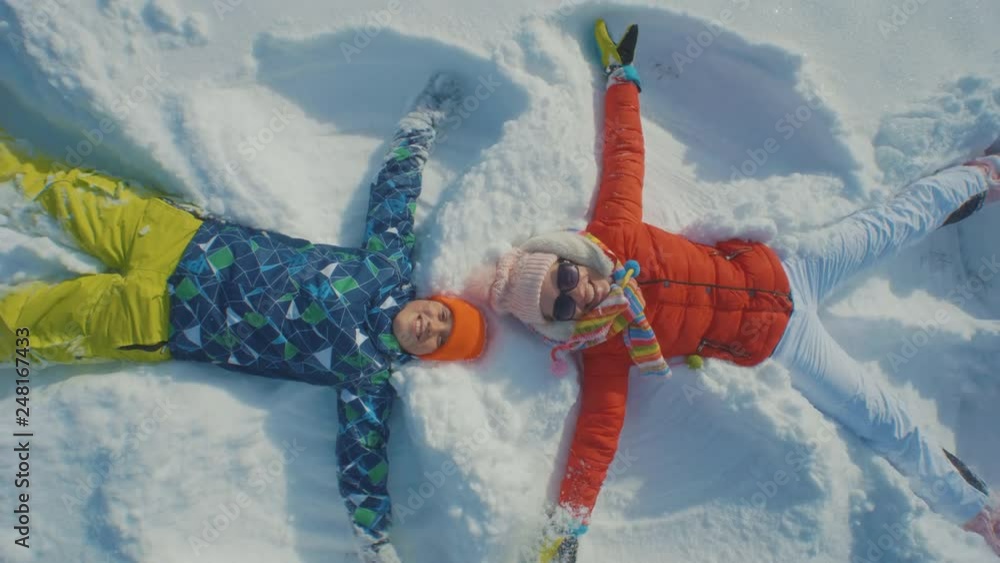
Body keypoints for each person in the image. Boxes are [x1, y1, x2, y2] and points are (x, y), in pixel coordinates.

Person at [487, 20, 1000, 562]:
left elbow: (625, 154)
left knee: (895, 221)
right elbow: (595, 441)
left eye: (564, 278)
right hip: (782, 341)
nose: (577, 295)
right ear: (557, 326)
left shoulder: (614, 230)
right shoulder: (609, 351)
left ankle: (984, 175)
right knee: (882, 420)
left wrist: (621, 79)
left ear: (569, 256)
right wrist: (566, 527)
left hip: (793, 267)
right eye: (560, 307)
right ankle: (975, 511)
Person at [0, 74, 487, 563]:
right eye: (443, 316)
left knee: (23, 328)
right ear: (433, 299)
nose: (432, 326)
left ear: (425, 356)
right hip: (173, 237)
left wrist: (373, 541)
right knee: (48, 191)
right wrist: (421, 126)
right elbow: (394, 195)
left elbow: (362, 460)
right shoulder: (390, 265)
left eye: (439, 340)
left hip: (154, 319)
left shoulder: (369, 377)